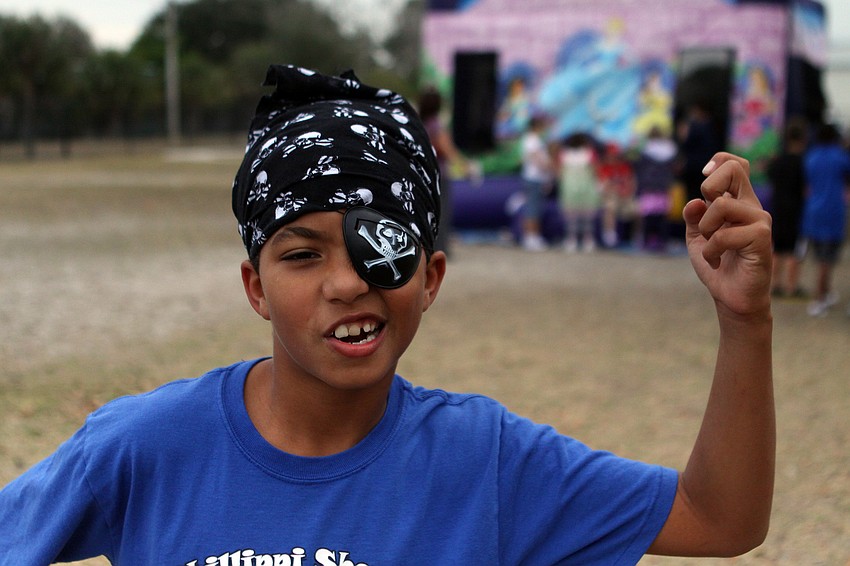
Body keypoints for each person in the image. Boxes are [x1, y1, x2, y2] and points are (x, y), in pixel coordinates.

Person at [0, 65, 775, 564]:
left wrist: (745, 324)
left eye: (377, 249)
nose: (345, 284)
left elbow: (719, 519)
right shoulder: (147, 447)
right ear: (255, 287)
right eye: (302, 256)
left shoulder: (487, 463)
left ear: (429, 277)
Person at [417, 86, 474, 258]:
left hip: (423, 174)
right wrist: (466, 168)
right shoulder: (436, 125)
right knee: (441, 212)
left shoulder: (419, 123)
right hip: (439, 175)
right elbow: (448, 150)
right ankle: (440, 248)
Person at [799, 123, 850, 316]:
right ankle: (819, 299)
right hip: (834, 212)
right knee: (827, 260)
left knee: (820, 258)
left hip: (813, 212)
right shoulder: (840, 157)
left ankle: (826, 293)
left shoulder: (811, 157)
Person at [766, 119, 808, 298]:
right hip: (796, 210)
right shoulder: (803, 163)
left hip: (778, 208)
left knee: (777, 248)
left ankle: (775, 284)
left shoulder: (777, 162)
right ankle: (792, 286)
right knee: (793, 250)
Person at [633, 126, 678, 252]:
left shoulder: (644, 150)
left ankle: (647, 240)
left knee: (648, 216)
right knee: (662, 216)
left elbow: (639, 170)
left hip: (648, 187)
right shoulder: (670, 150)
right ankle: (662, 241)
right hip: (663, 187)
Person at [558, 132, 601, 252]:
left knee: (572, 216)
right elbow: (595, 169)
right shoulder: (589, 153)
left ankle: (571, 240)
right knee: (586, 216)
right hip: (585, 186)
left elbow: (560, 172)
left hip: (570, 187)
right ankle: (588, 240)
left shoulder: (565, 154)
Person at [520, 112, 556, 251]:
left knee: (536, 208)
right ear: (537, 126)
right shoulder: (532, 140)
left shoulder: (535, 140)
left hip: (537, 178)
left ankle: (533, 235)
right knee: (532, 208)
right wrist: (551, 168)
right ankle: (530, 237)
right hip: (533, 178)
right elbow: (537, 159)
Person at [597, 142, 637, 248]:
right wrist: (616, 189)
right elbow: (603, 187)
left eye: (615, 155)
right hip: (610, 197)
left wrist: (626, 191)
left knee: (638, 209)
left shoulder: (624, 166)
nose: (613, 157)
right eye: (611, 155)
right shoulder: (603, 167)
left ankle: (636, 238)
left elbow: (631, 182)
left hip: (625, 197)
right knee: (610, 207)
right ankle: (610, 237)